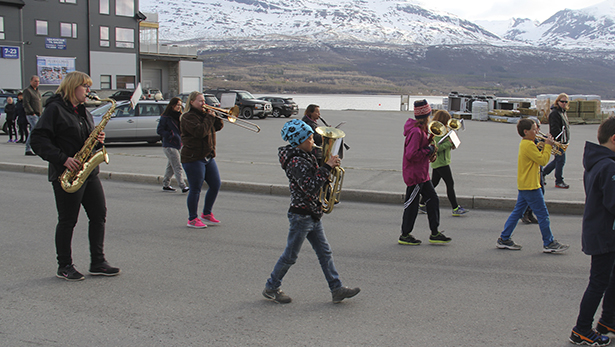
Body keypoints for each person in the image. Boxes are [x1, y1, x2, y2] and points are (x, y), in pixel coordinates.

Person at [30, 71, 120, 281]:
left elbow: (85, 139)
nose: (89, 91)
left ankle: (97, 261)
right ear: (73, 87)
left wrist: (98, 139)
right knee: (68, 221)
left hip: (88, 173)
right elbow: (38, 140)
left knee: (98, 215)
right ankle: (64, 265)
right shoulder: (54, 109)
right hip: (66, 174)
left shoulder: (82, 111)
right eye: (85, 87)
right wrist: (63, 159)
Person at [262, 119, 360, 304]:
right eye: (308, 138)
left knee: (325, 252)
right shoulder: (295, 161)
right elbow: (311, 186)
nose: (313, 141)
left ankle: (336, 288)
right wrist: (327, 167)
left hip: (311, 212)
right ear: (298, 141)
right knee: (290, 256)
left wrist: (331, 157)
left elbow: (319, 168)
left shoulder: (304, 154)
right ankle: (271, 287)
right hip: (301, 214)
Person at [569, 117, 615, 346]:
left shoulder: (601, 161)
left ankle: (608, 320)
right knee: (598, 282)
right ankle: (582, 329)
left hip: (603, 231)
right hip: (604, 234)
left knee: (610, 278)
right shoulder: (609, 166)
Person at [496, 118, 569, 253]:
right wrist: (548, 145)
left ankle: (504, 238)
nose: (537, 132)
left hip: (526, 184)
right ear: (526, 132)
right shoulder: (528, 145)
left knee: (518, 212)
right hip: (531, 186)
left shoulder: (528, 143)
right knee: (543, 215)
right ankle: (549, 242)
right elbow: (543, 160)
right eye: (535, 129)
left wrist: (545, 144)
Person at [398, 100, 451, 246]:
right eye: (429, 114)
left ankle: (434, 233)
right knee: (412, 206)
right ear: (427, 115)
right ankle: (405, 234)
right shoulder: (416, 132)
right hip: (415, 176)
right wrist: (428, 150)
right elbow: (411, 154)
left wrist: (430, 148)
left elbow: (419, 150)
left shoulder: (422, 130)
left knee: (433, 200)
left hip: (422, 174)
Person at [180, 91, 224, 228]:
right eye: (200, 101)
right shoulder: (187, 117)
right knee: (195, 189)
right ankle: (192, 218)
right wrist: (209, 118)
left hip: (208, 156)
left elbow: (218, 127)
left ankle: (206, 214)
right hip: (193, 157)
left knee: (216, 184)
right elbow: (200, 132)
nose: (203, 103)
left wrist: (215, 116)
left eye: (204, 100)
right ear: (192, 102)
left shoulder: (204, 115)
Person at [419, 110, 468, 217]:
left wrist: (452, 144)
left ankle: (422, 204)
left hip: (441, 162)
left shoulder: (444, 130)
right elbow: (438, 147)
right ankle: (455, 208)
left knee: (433, 184)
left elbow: (444, 145)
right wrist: (448, 144)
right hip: (441, 162)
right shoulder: (437, 132)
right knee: (450, 184)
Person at [157, 97, 188, 193]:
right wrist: (170, 135)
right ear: (172, 105)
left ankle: (166, 184)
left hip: (178, 144)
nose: (179, 107)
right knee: (177, 165)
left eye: (180, 105)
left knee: (171, 166)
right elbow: (159, 130)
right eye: (177, 105)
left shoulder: (180, 116)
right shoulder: (165, 117)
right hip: (169, 145)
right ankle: (183, 186)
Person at [543, 93, 571, 189]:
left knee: (558, 161)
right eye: (562, 101)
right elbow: (555, 129)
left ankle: (542, 174)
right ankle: (559, 180)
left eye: (565, 102)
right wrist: (558, 141)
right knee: (561, 161)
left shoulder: (563, 112)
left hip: (563, 141)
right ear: (557, 102)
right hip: (558, 142)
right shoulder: (555, 113)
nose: (564, 103)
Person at [23, 75, 42, 156]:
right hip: (32, 115)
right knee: (34, 131)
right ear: (31, 81)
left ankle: (30, 148)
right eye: (35, 81)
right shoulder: (28, 91)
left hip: (38, 114)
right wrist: (31, 112)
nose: (37, 83)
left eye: (38, 81)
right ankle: (28, 149)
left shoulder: (37, 91)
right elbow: (26, 103)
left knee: (33, 131)